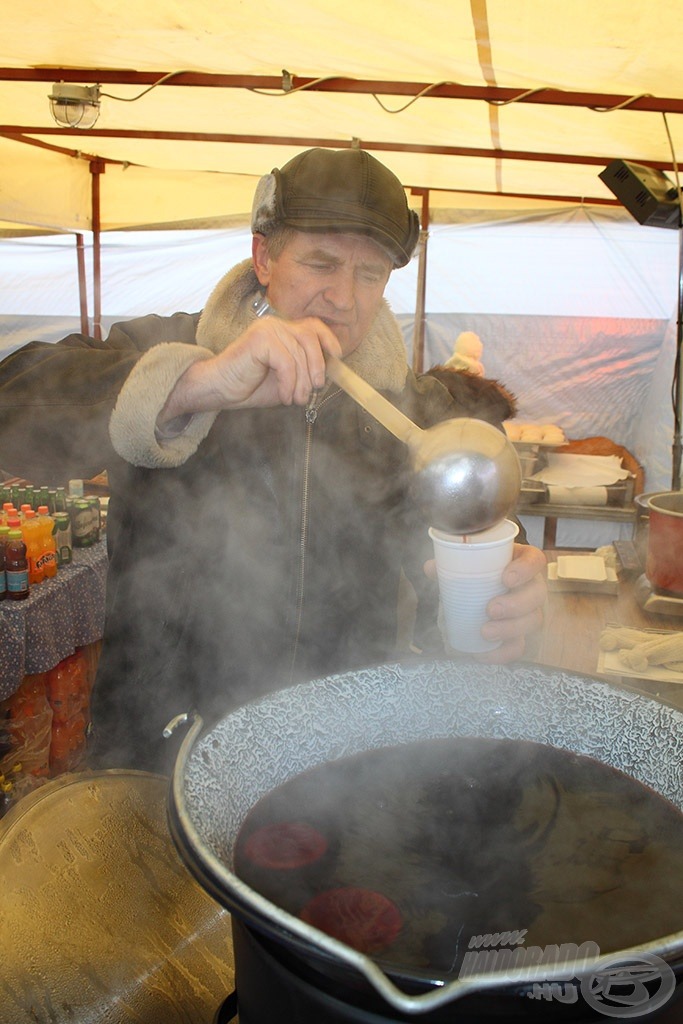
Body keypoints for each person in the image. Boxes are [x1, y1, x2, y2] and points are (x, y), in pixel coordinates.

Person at [0, 148, 546, 772]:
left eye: (371, 275)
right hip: (160, 754)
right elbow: (11, 405)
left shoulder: (412, 413)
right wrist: (196, 385)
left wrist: (502, 598)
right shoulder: (171, 349)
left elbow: (452, 555)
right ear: (263, 258)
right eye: (321, 262)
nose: (344, 297)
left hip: (337, 764)